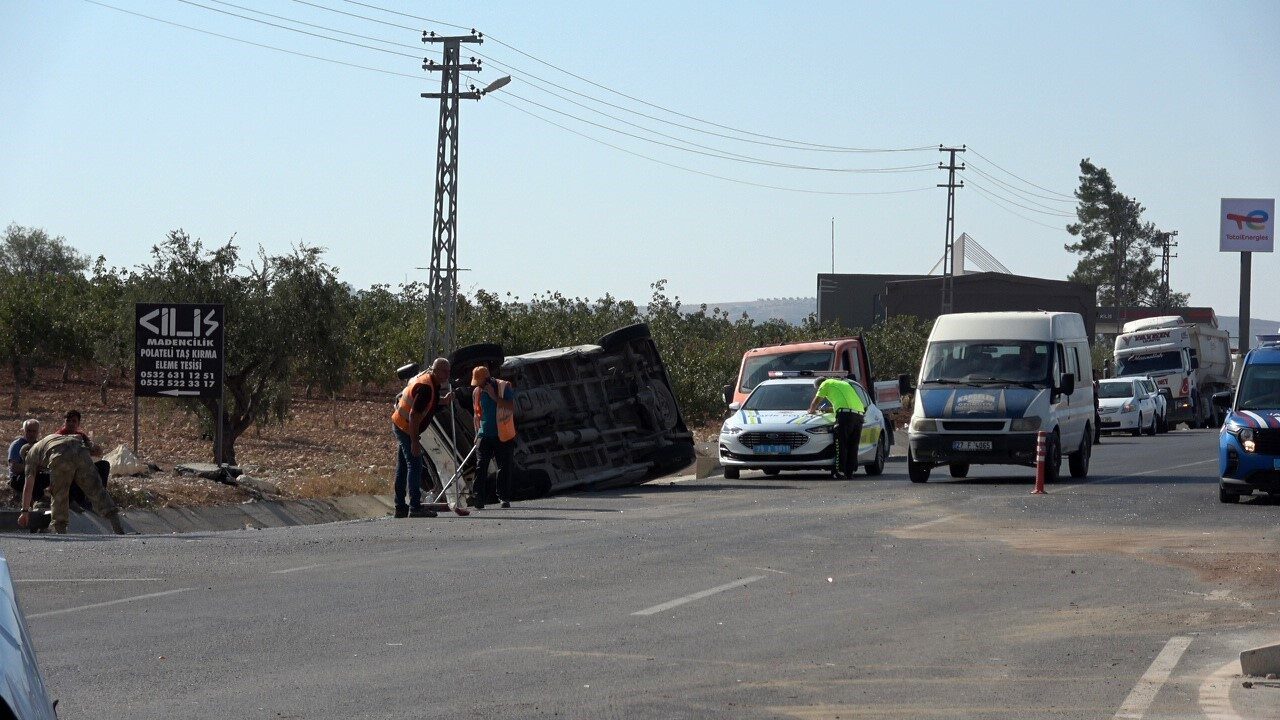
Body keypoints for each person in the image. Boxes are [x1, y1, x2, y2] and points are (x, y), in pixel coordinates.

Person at [390, 358, 468, 518]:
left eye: (449, 371)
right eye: (445, 371)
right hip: (406, 427)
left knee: (403, 467)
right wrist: (414, 441)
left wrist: (443, 400)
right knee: (415, 464)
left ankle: (400, 507)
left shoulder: (429, 381)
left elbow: (427, 403)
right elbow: (413, 415)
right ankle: (415, 507)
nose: (448, 374)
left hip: (400, 423)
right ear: (436, 370)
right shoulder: (426, 386)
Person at [18, 434, 125, 535]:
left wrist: (25, 512)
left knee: (60, 494)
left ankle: (60, 530)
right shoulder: (45, 442)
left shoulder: (30, 455)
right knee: (96, 488)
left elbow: (28, 487)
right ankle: (116, 524)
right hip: (79, 449)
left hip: (59, 453)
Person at [470, 366, 517, 509]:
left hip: (503, 435)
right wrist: (476, 433)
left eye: (481, 382)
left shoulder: (504, 387)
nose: (478, 385)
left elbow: (510, 408)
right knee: (481, 466)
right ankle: (478, 498)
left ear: (488, 379)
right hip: (484, 435)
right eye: (476, 383)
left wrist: (494, 397)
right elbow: (476, 414)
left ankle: (503, 497)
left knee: (504, 467)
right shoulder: (477, 392)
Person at [807, 377, 866, 479]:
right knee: (853, 444)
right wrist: (828, 409)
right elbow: (846, 403)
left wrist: (811, 410)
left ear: (819, 385)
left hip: (846, 416)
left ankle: (840, 471)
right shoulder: (843, 384)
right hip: (859, 415)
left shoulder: (825, 383)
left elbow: (816, 401)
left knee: (841, 443)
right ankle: (849, 472)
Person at [8, 419, 45, 499]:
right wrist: (33, 467)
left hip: (36, 474)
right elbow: (14, 467)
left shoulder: (39, 446)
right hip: (18, 478)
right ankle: (37, 502)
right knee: (31, 478)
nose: (31, 434)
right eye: (28, 431)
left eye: (34, 431)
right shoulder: (17, 445)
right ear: (24, 431)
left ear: (38, 432)